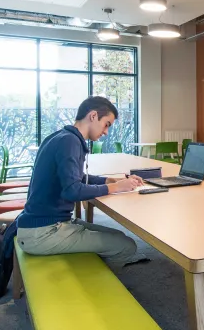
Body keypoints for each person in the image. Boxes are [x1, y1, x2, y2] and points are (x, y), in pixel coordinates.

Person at [15, 96, 143, 269]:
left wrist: (111, 180)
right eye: (106, 124)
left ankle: (91, 267)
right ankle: (93, 281)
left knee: (119, 236)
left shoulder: (61, 136)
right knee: (127, 246)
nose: (106, 132)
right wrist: (114, 187)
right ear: (93, 116)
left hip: (40, 226)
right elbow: (72, 190)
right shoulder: (70, 141)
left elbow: (77, 177)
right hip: (44, 232)